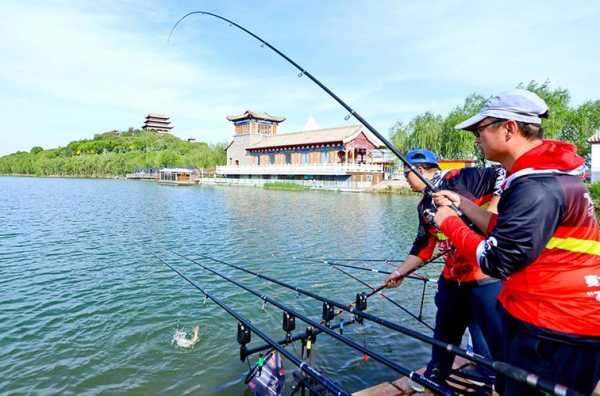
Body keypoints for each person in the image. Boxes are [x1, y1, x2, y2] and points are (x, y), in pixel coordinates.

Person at [431, 89, 600, 395]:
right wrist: (463, 204)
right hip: (549, 318)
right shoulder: (545, 177)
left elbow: (497, 260)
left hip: (556, 330)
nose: (476, 138)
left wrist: (448, 222)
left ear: (508, 128)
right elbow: (509, 231)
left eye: (479, 129)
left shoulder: (537, 186)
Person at [384, 149, 505, 384]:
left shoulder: (461, 178)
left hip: (485, 278)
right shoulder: (424, 207)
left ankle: (496, 381)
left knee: (489, 339)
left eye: (406, 175)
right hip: (452, 280)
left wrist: (492, 212)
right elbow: (422, 247)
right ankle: (436, 375)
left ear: (419, 171)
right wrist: (400, 272)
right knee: (444, 334)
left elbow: (503, 171)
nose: (405, 181)